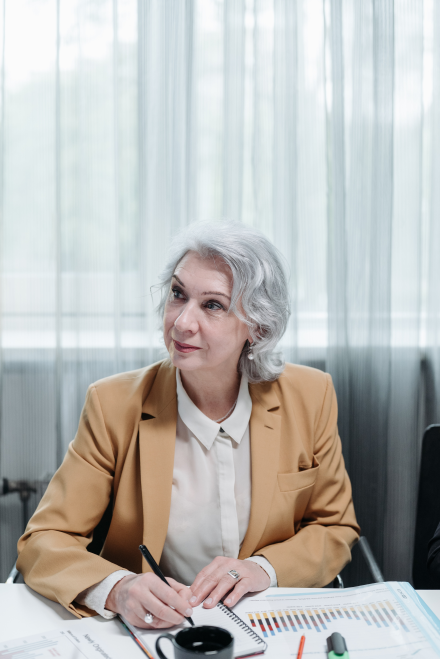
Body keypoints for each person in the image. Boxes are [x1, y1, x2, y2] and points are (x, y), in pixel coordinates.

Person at [17, 221, 360, 630]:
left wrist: (263, 568)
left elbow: (334, 526)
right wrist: (118, 588)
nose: (181, 323)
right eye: (178, 294)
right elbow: (44, 540)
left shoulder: (311, 395)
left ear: (258, 326)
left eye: (212, 305)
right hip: (156, 631)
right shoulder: (112, 405)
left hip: (271, 625)